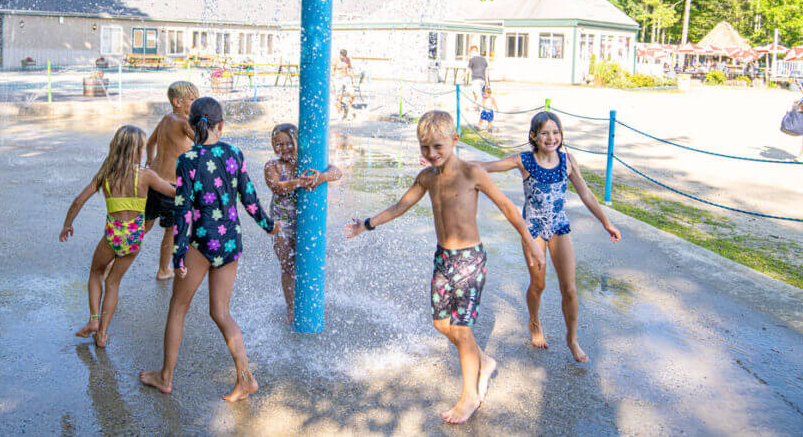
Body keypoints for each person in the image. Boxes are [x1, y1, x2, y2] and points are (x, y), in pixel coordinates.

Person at [345, 110, 542, 425]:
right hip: (443, 259)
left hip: (470, 260)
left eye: (438, 146)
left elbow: (506, 205)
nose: (431, 154)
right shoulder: (427, 178)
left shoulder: (471, 173)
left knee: (462, 329)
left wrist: (531, 242)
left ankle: (469, 397)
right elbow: (401, 205)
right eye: (425, 148)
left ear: (454, 141)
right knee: (441, 324)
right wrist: (366, 224)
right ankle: (484, 361)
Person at [140, 97, 282, 402]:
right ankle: (245, 378)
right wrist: (268, 225)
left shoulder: (187, 161)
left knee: (178, 308)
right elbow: (249, 197)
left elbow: (183, 211)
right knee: (221, 312)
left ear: (192, 126)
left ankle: (165, 377)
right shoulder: (233, 153)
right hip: (230, 241)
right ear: (221, 125)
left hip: (201, 243)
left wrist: (178, 255)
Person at [479, 112, 621, 363]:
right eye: (544, 132)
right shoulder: (524, 161)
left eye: (555, 132)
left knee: (570, 288)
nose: (551, 137)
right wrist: (448, 162)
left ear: (561, 135)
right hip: (532, 231)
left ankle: (572, 339)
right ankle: (534, 322)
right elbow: (485, 167)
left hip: (559, 227)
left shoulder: (567, 161)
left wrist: (606, 222)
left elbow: (586, 194)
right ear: (533, 136)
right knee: (539, 284)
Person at [59, 125, 175, 347]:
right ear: (137, 150)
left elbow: (78, 201)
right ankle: (102, 334)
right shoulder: (146, 176)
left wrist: (67, 225)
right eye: (142, 148)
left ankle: (94, 320)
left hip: (112, 235)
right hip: (134, 238)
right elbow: (173, 191)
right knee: (113, 283)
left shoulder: (106, 174)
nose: (143, 152)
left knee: (95, 273)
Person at [264, 123, 342, 324]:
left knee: (306, 264)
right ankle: (291, 308)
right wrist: (298, 182)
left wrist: (321, 177)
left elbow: (337, 172)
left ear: (298, 143)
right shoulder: (272, 166)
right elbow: (276, 186)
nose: (284, 148)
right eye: (278, 144)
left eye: (289, 143)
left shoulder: (304, 162)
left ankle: (310, 302)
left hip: (304, 223)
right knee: (287, 266)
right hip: (280, 224)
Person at [145, 81, 199, 280]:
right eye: (193, 99)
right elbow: (204, 143)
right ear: (178, 102)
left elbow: (150, 142)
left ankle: (114, 258)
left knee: (145, 224)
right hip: (171, 187)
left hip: (154, 181)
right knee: (170, 230)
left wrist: (150, 159)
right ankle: (163, 269)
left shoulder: (166, 118)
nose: (197, 102)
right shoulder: (185, 123)